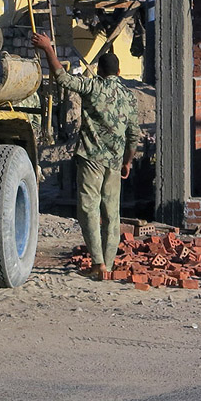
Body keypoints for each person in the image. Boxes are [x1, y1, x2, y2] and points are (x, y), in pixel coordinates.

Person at [31, 33, 139, 279]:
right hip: (114, 161)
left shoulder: (93, 86)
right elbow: (134, 136)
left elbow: (62, 78)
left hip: (91, 159)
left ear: (99, 71)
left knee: (89, 209)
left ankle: (98, 263)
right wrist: (127, 162)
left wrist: (48, 49)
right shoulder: (128, 97)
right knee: (112, 213)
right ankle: (109, 266)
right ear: (120, 71)